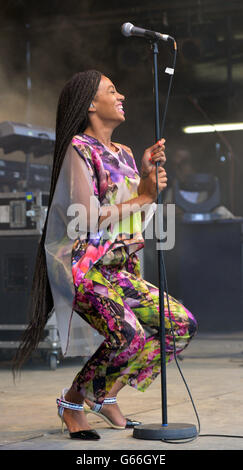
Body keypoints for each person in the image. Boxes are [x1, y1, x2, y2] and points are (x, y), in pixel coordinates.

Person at [13, 70, 197, 440]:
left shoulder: (126, 153)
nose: (121, 95)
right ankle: (72, 400)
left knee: (180, 325)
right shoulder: (78, 149)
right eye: (112, 91)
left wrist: (145, 182)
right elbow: (87, 217)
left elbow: (133, 219)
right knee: (128, 335)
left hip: (117, 270)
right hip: (85, 268)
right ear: (91, 104)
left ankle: (105, 393)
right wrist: (142, 195)